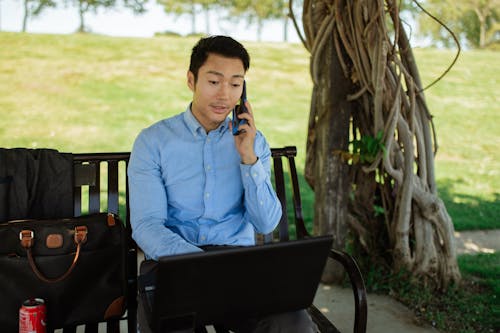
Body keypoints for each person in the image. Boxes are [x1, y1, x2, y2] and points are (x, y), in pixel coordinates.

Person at [128, 35, 317, 332]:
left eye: (235, 83)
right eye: (214, 82)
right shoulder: (153, 142)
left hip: (237, 268)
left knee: (293, 324)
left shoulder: (254, 143)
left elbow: (266, 223)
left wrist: (248, 159)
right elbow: (147, 224)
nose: (225, 95)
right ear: (192, 80)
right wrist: (200, 266)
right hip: (175, 266)